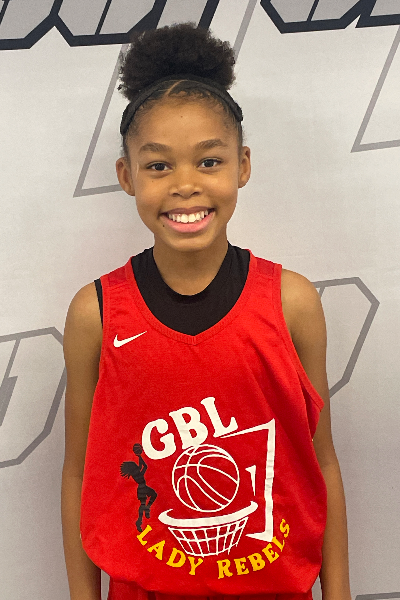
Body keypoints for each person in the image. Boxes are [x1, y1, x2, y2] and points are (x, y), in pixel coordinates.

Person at [62, 23, 351, 600]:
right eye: (159, 166)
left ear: (242, 165)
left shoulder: (292, 302)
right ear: (127, 176)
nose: (185, 185)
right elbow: (78, 472)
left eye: (209, 162)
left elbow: (320, 463)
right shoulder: (96, 313)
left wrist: (339, 593)